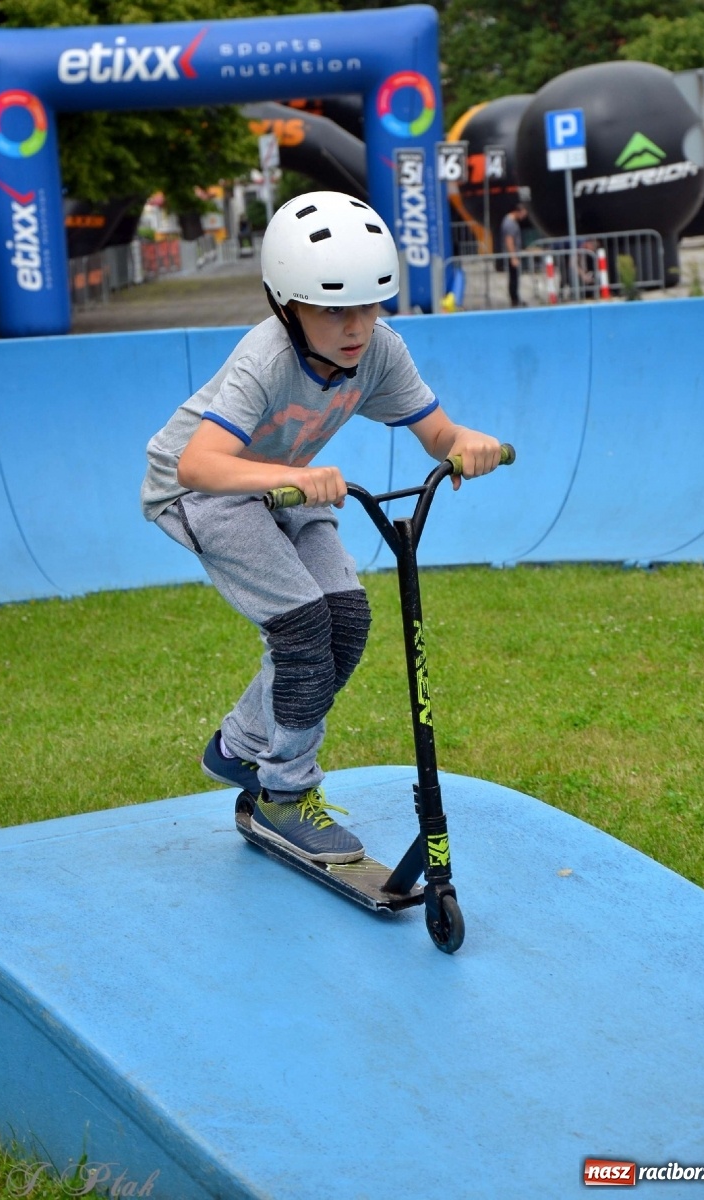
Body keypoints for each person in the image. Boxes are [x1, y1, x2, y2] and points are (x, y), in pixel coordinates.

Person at [141, 191, 504, 865]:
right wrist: (293, 478)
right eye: (334, 308)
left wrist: (466, 442)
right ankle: (283, 794)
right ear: (288, 305)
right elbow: (198, 461)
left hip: (285, 481)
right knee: (302, 627)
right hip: (203, 489)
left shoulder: (379, 352)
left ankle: (238, 747)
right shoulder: (266, 358)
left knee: (345, 619)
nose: (355, 326)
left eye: (369, 305)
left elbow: (437, 432)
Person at [500, 202, 528, 308]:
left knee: (514, 277)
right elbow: (509, 240)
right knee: (513, 278)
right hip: (511, 255)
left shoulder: (510, 222)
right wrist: (513, 257)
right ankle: (514, 299)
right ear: (518, 212)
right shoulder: (510, 223)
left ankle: (515, 298)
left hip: (513, 253)